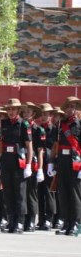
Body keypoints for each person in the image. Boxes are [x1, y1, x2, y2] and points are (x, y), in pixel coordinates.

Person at [0, 98, 33, 234]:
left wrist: (28, 165)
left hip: (19, 162)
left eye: (13, 109)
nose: (11, 111)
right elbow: (0, 144)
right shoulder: (3, 123)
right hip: (6, 160)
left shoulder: (24, 125)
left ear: (18, 110)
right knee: (8, 193)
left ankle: (20, 223)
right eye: (9, 109)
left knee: (20, 193)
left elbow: (29, 146)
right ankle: (11, 221)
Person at [50, 96, 81, 236]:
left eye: (73, 106)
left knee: (75, 194)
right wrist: (52, 163)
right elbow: (54, 144)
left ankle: (75, 223)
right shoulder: (60, 125)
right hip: (62, 160)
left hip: (75, 163)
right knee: (63, 192)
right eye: (68, 106)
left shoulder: (80, 124)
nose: (70, 109)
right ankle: (66, 222)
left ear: (76, 108)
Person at [21, 102, 46, 232]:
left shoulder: (39, 130)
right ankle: (23, 220)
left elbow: (40, 151)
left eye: (28, 112)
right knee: (22, 193)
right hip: (20, 162)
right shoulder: (20, 127)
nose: (26, 114)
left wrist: (40, 169)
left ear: (34, 114)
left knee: (31, 193)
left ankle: (31, 220)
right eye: (24, 112)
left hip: (33, 163)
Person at [36, 103, 58, 231]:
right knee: (39, 192)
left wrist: (53, 163)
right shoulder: (39, 129)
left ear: (50, 115)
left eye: (46, 114)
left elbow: (54, 147)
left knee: (49, 192)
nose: (43, 117)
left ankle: (50, 219)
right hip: (39, 163)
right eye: (42, 114)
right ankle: (41, 219)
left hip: (49, 163)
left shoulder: (54, 129)